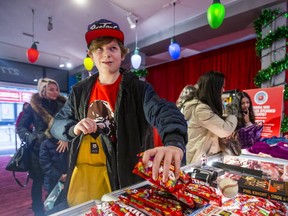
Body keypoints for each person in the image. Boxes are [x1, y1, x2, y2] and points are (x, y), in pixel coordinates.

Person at [50, 19, 187, 207]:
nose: (106, 54)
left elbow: (163, 111)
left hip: (127, 178)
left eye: (113, 48)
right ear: (90, 54)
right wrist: (73, 128)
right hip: (88, 178)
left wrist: (174, 142)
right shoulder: (79, 91)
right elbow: (56, 125)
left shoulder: (139, 89)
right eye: (99, 49)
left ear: (122, 54)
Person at [16, 78, 67, 216]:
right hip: (38, 151)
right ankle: (38, 210)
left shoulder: (63, 104)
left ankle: (54, 208)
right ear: (43, 90)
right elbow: (21, 127)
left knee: (56, 179)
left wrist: (66, 137)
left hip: (59, 150)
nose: (55, 92)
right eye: (51, 89)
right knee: (38, 182)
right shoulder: (33, 106)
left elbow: (69, 124)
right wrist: (33, 138)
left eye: (56, 89)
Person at [183, 71, 237, 164]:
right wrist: (232, 113)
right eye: (222, 87)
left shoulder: (206, 107)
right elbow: (225, 130)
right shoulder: (201, 109)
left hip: (209, 157)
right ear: (214, 89)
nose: (223, 90)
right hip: (199, 160)